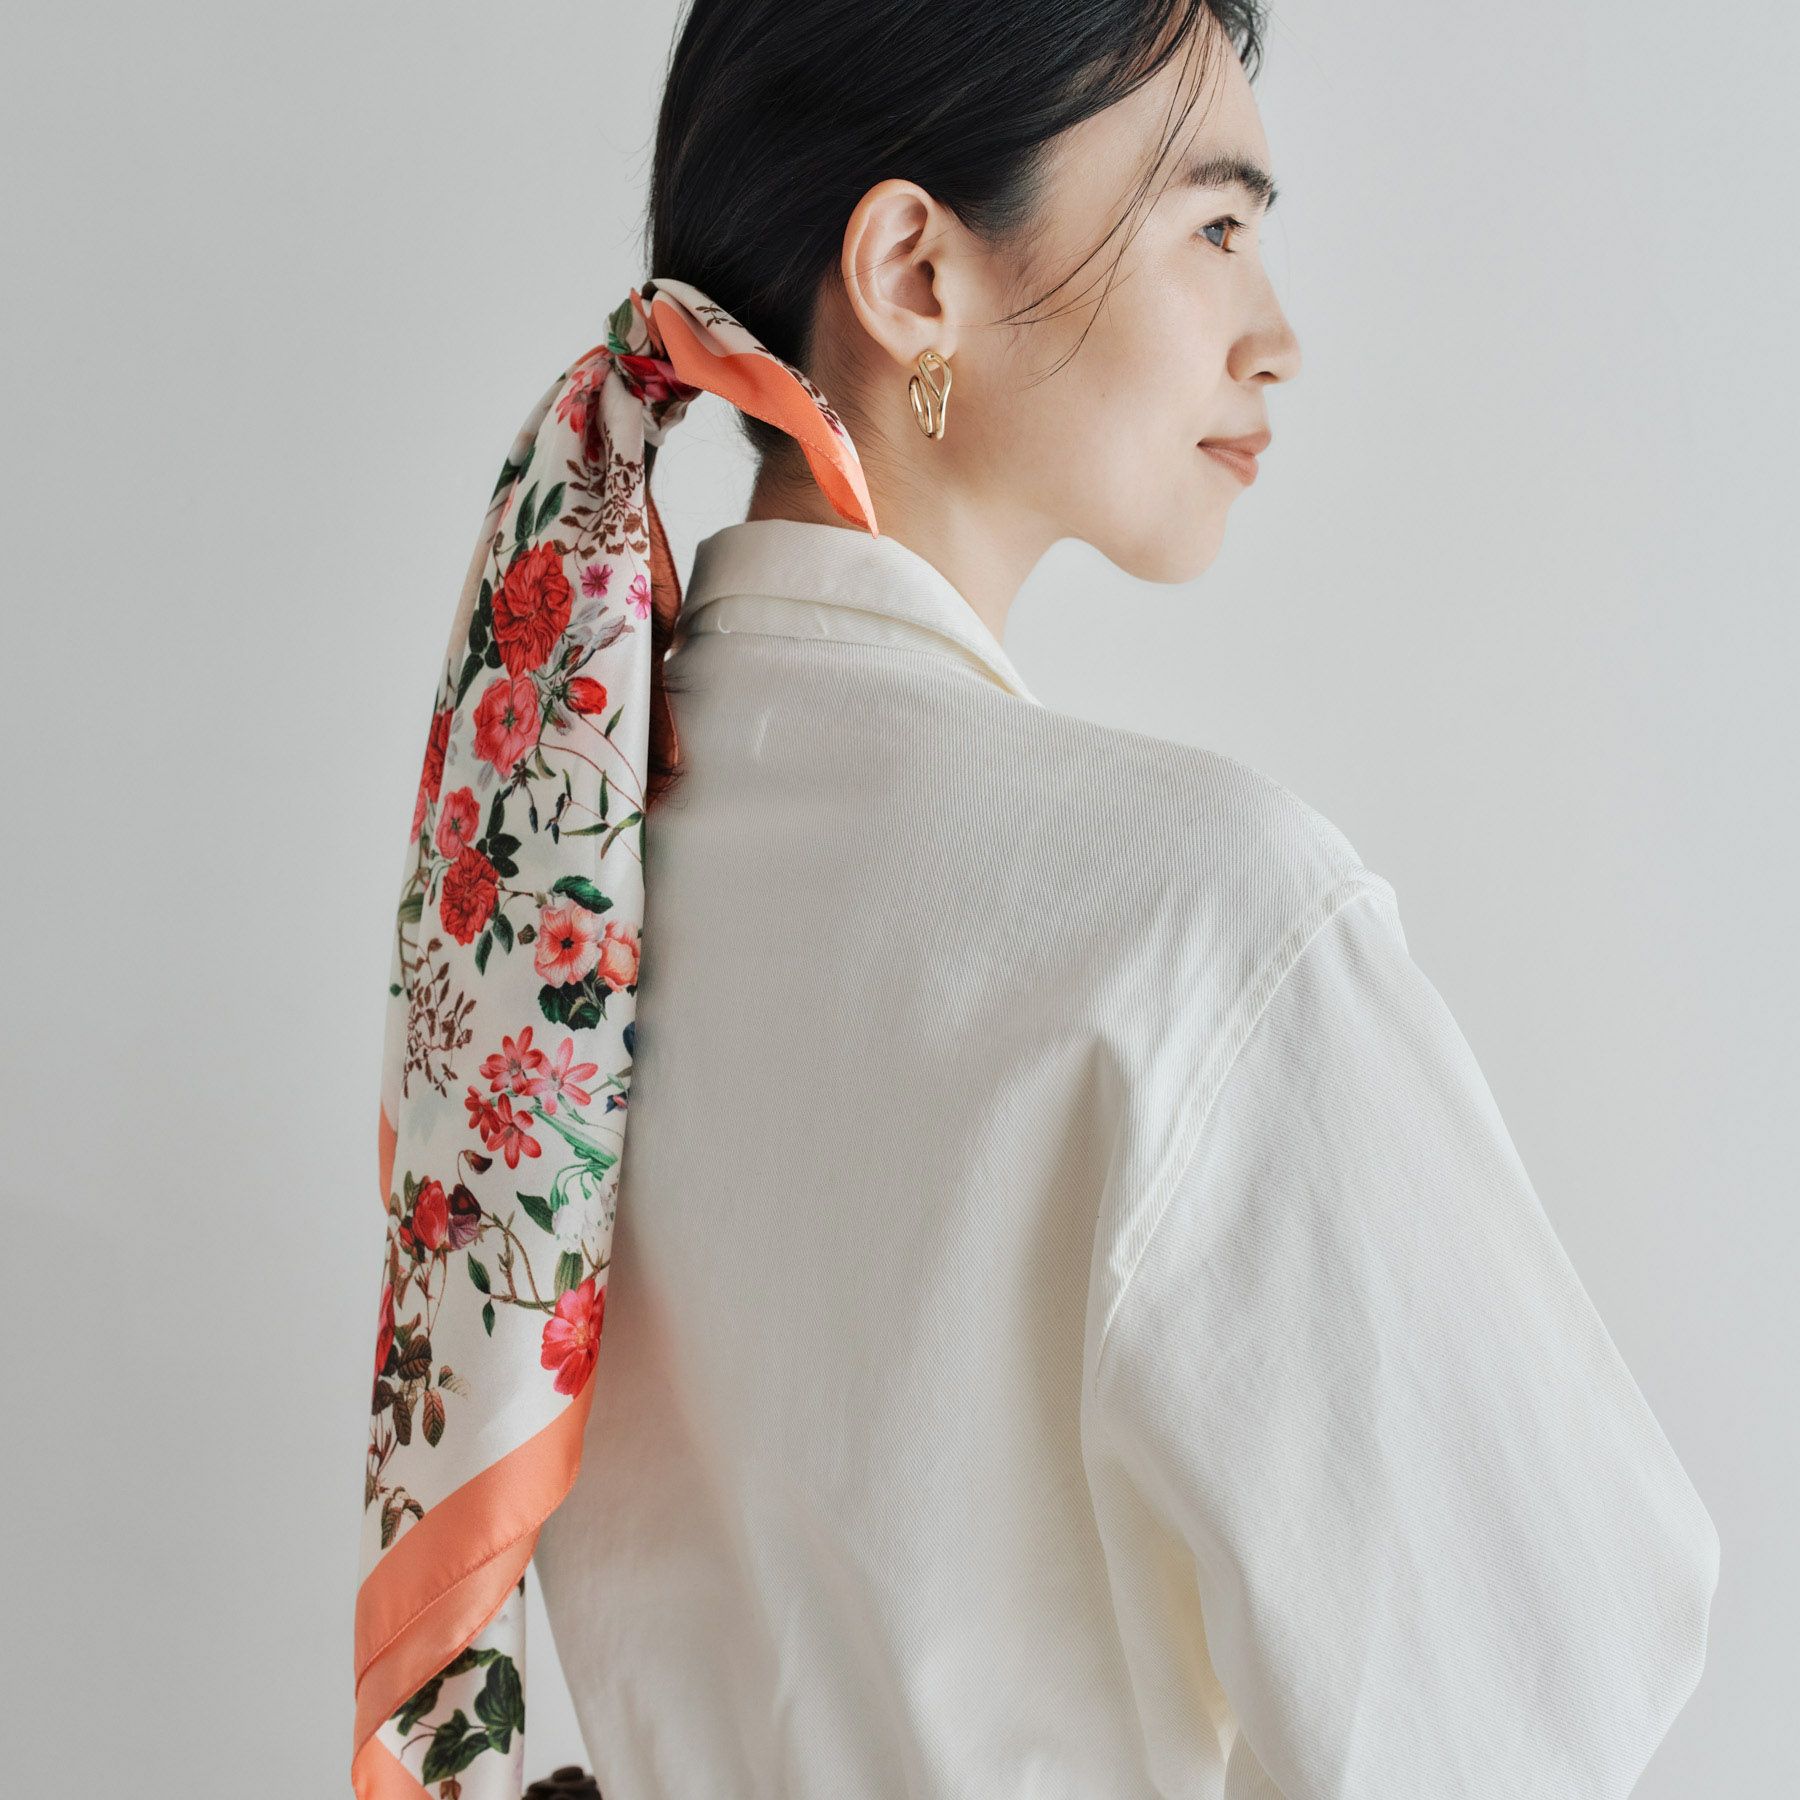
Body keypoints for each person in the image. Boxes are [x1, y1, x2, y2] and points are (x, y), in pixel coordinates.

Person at [362, 2, 1720, 1795]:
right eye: (1215, 224)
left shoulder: (555, 892)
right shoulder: (1197, 922)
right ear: (916, 275)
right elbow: (1526, 1679)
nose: (1277, 335)